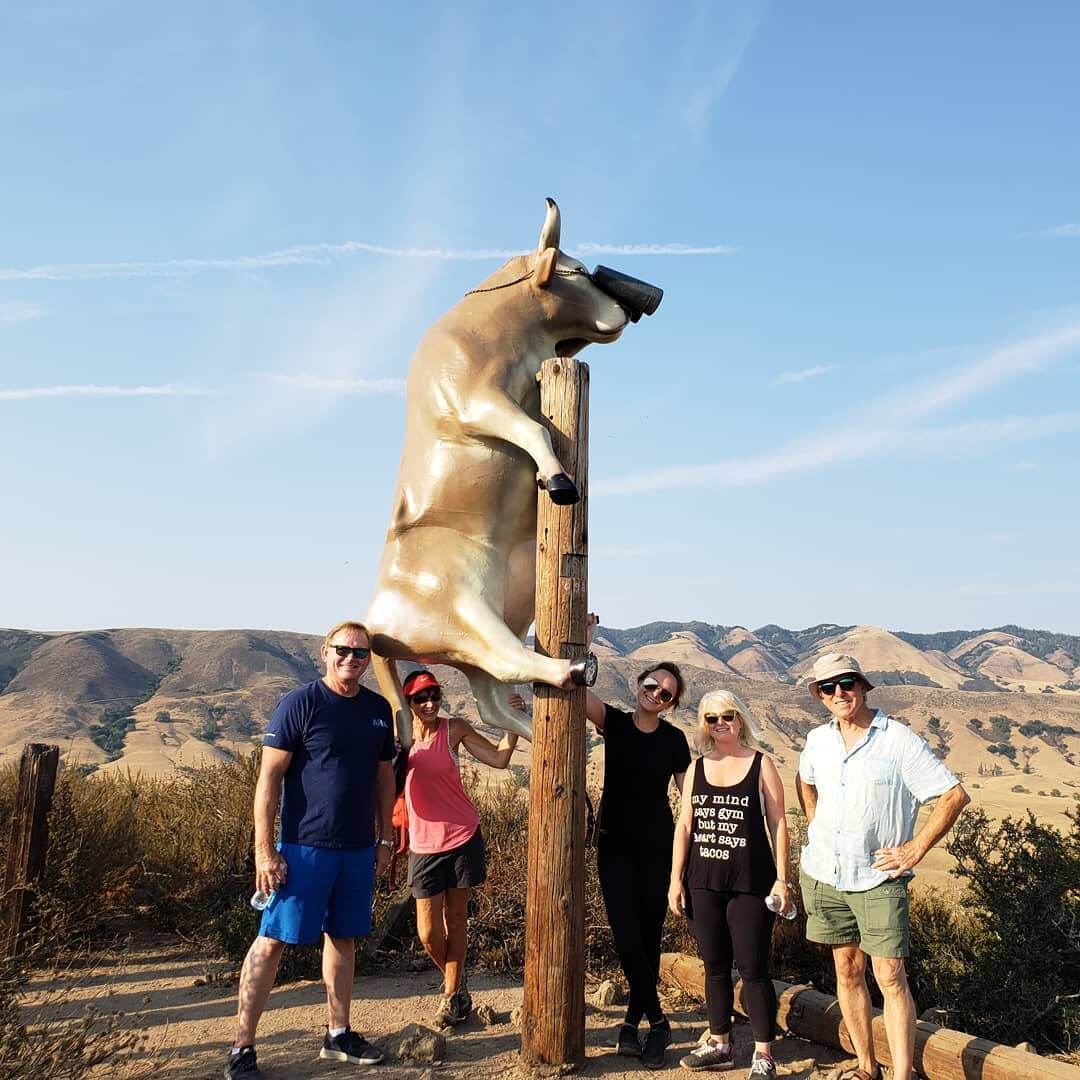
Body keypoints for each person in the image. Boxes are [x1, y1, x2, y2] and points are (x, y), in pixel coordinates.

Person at [225, 621, 396, 1079]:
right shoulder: (299, 704)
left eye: (361, 654)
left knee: (343, 937)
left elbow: (385, 779)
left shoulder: (379, 710)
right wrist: (265, 851)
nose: (352, 659)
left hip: (358, 848)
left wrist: (385, 839)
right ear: (325, 652)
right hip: (302, 848)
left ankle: (337, 1034)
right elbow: (268, 781)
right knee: (273, 940)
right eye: (343, 650)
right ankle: (242, 1048)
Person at [796, 654, 970, 1080]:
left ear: (863, 685)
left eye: (847, 682)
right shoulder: (819, 739)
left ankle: (902, 1073)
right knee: (847, 969)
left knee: (890, 975)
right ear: (820, 695)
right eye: (829, 687)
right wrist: (815, 820)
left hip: (878, 877)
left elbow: (954, 795)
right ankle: (866, 1066)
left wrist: (914, 850)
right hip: (825, 874)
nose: (840, 692)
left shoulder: (898, 740)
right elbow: (805, 779)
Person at [584, 614, 691, 1071]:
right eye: (652, 685)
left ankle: (632, 1025)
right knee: (625, 937)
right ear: (639, 684)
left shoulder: (675, 740)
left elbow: (688, 799)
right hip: (614, 847)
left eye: (666, 694)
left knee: (647, 939)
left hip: (657, 848)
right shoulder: (615, 722)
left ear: (670, 705)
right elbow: (574, 689)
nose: (656, 694)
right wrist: (583, 644)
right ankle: (660, 1021)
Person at [669, 691, 791, 1075]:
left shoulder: (761, 764)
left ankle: (763, 1054)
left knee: (754, 968)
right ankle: (719, 1042)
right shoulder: (696, 769)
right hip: (703, 881)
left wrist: (782, 880)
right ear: (703, 725)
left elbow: (779, 823)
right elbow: (685, 825)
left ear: (740, 719)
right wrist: (676, 880)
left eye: (727, 715)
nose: (720, 722)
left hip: (751, 882)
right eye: (711, 718)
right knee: (714, 966)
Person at [401, 669, 520, 1027]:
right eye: (421, 698)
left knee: (456, 920)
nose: (430, 703)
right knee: (427, 933)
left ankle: (450, 997)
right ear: (408, 703)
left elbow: (499, 759)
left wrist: (513, 723)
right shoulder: (400, 739)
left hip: (462, 836)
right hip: (423, 845)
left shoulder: (454, 729)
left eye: (434, 696)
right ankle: (459, 984)